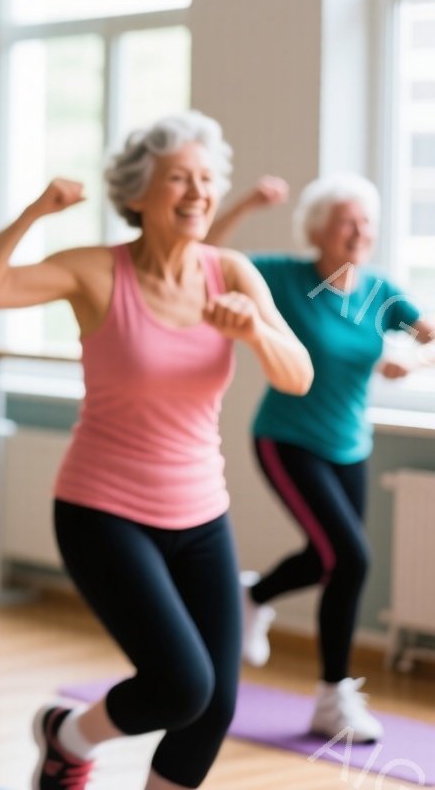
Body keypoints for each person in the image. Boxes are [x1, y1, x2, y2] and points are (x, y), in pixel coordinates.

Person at [0, 112, 313, 790]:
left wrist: (258, 332)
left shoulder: (230, 272)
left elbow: (298, 375)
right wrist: (35, 212)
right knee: (181, 685)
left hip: (202, 516)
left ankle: (70, 739)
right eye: (179, 178)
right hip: (104, 512)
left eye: (207, 179)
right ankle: (67, 738)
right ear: (137, 194)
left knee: (215, 706)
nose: (198, 192)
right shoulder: (96, 272)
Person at [208, 174, 433, 741]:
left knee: (331, 556)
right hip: (287, 439)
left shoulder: (380, 294)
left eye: (367, 223)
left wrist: (413, 364)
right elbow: (207, 254)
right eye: (346, 221)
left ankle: (253, 594)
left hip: (349, 445)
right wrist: (248, 203)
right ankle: (334, 698)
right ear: (318, 231)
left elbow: (433, 337)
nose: (359, 232)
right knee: (352, 559)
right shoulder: (287, 279)